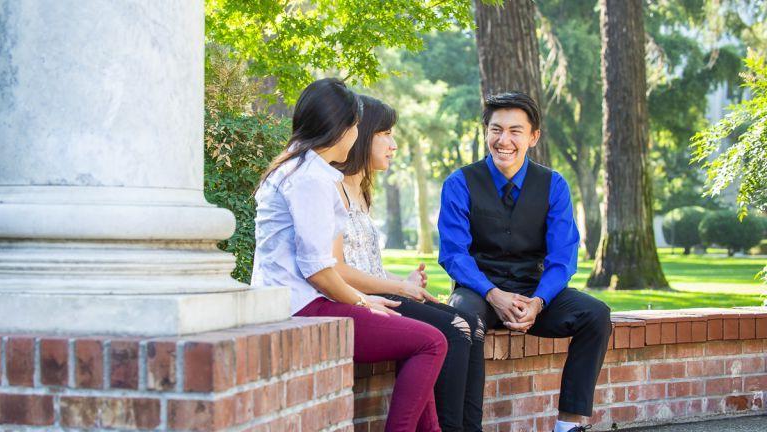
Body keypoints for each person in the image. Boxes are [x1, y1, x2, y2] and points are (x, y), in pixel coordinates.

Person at [253, 78, 446, 432]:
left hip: (299, 300)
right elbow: (317, 270)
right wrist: (362, 301)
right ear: (340, 128)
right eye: (356, 125)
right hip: (302, 306)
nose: (357, 134)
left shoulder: (299, 168)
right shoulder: (309, 177)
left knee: (419, 338)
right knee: (431, 341)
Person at [438, 92, 612, 432]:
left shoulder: (554, 185)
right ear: (485, 132)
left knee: (595, 314)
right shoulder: (459, 183)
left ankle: (568, 424)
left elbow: (563, 257)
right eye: (495, 129)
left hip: (533, 292)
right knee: (461, 320)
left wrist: (538, 300)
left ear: (533, 137)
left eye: (515, 131)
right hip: (479, 292)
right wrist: (492, 293)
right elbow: (454, 254)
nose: (504, 140)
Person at [332, 95, 485, 432]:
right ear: (362, 134)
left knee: (473, 323)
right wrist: (399, 287)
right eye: (385, 133)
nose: (394, 144)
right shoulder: (333, 189)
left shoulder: (362, 192)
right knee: (456, 330)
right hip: (356, 301)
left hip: (381, 293)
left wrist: (405, 281)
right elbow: (339, 269)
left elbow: (368, 265)